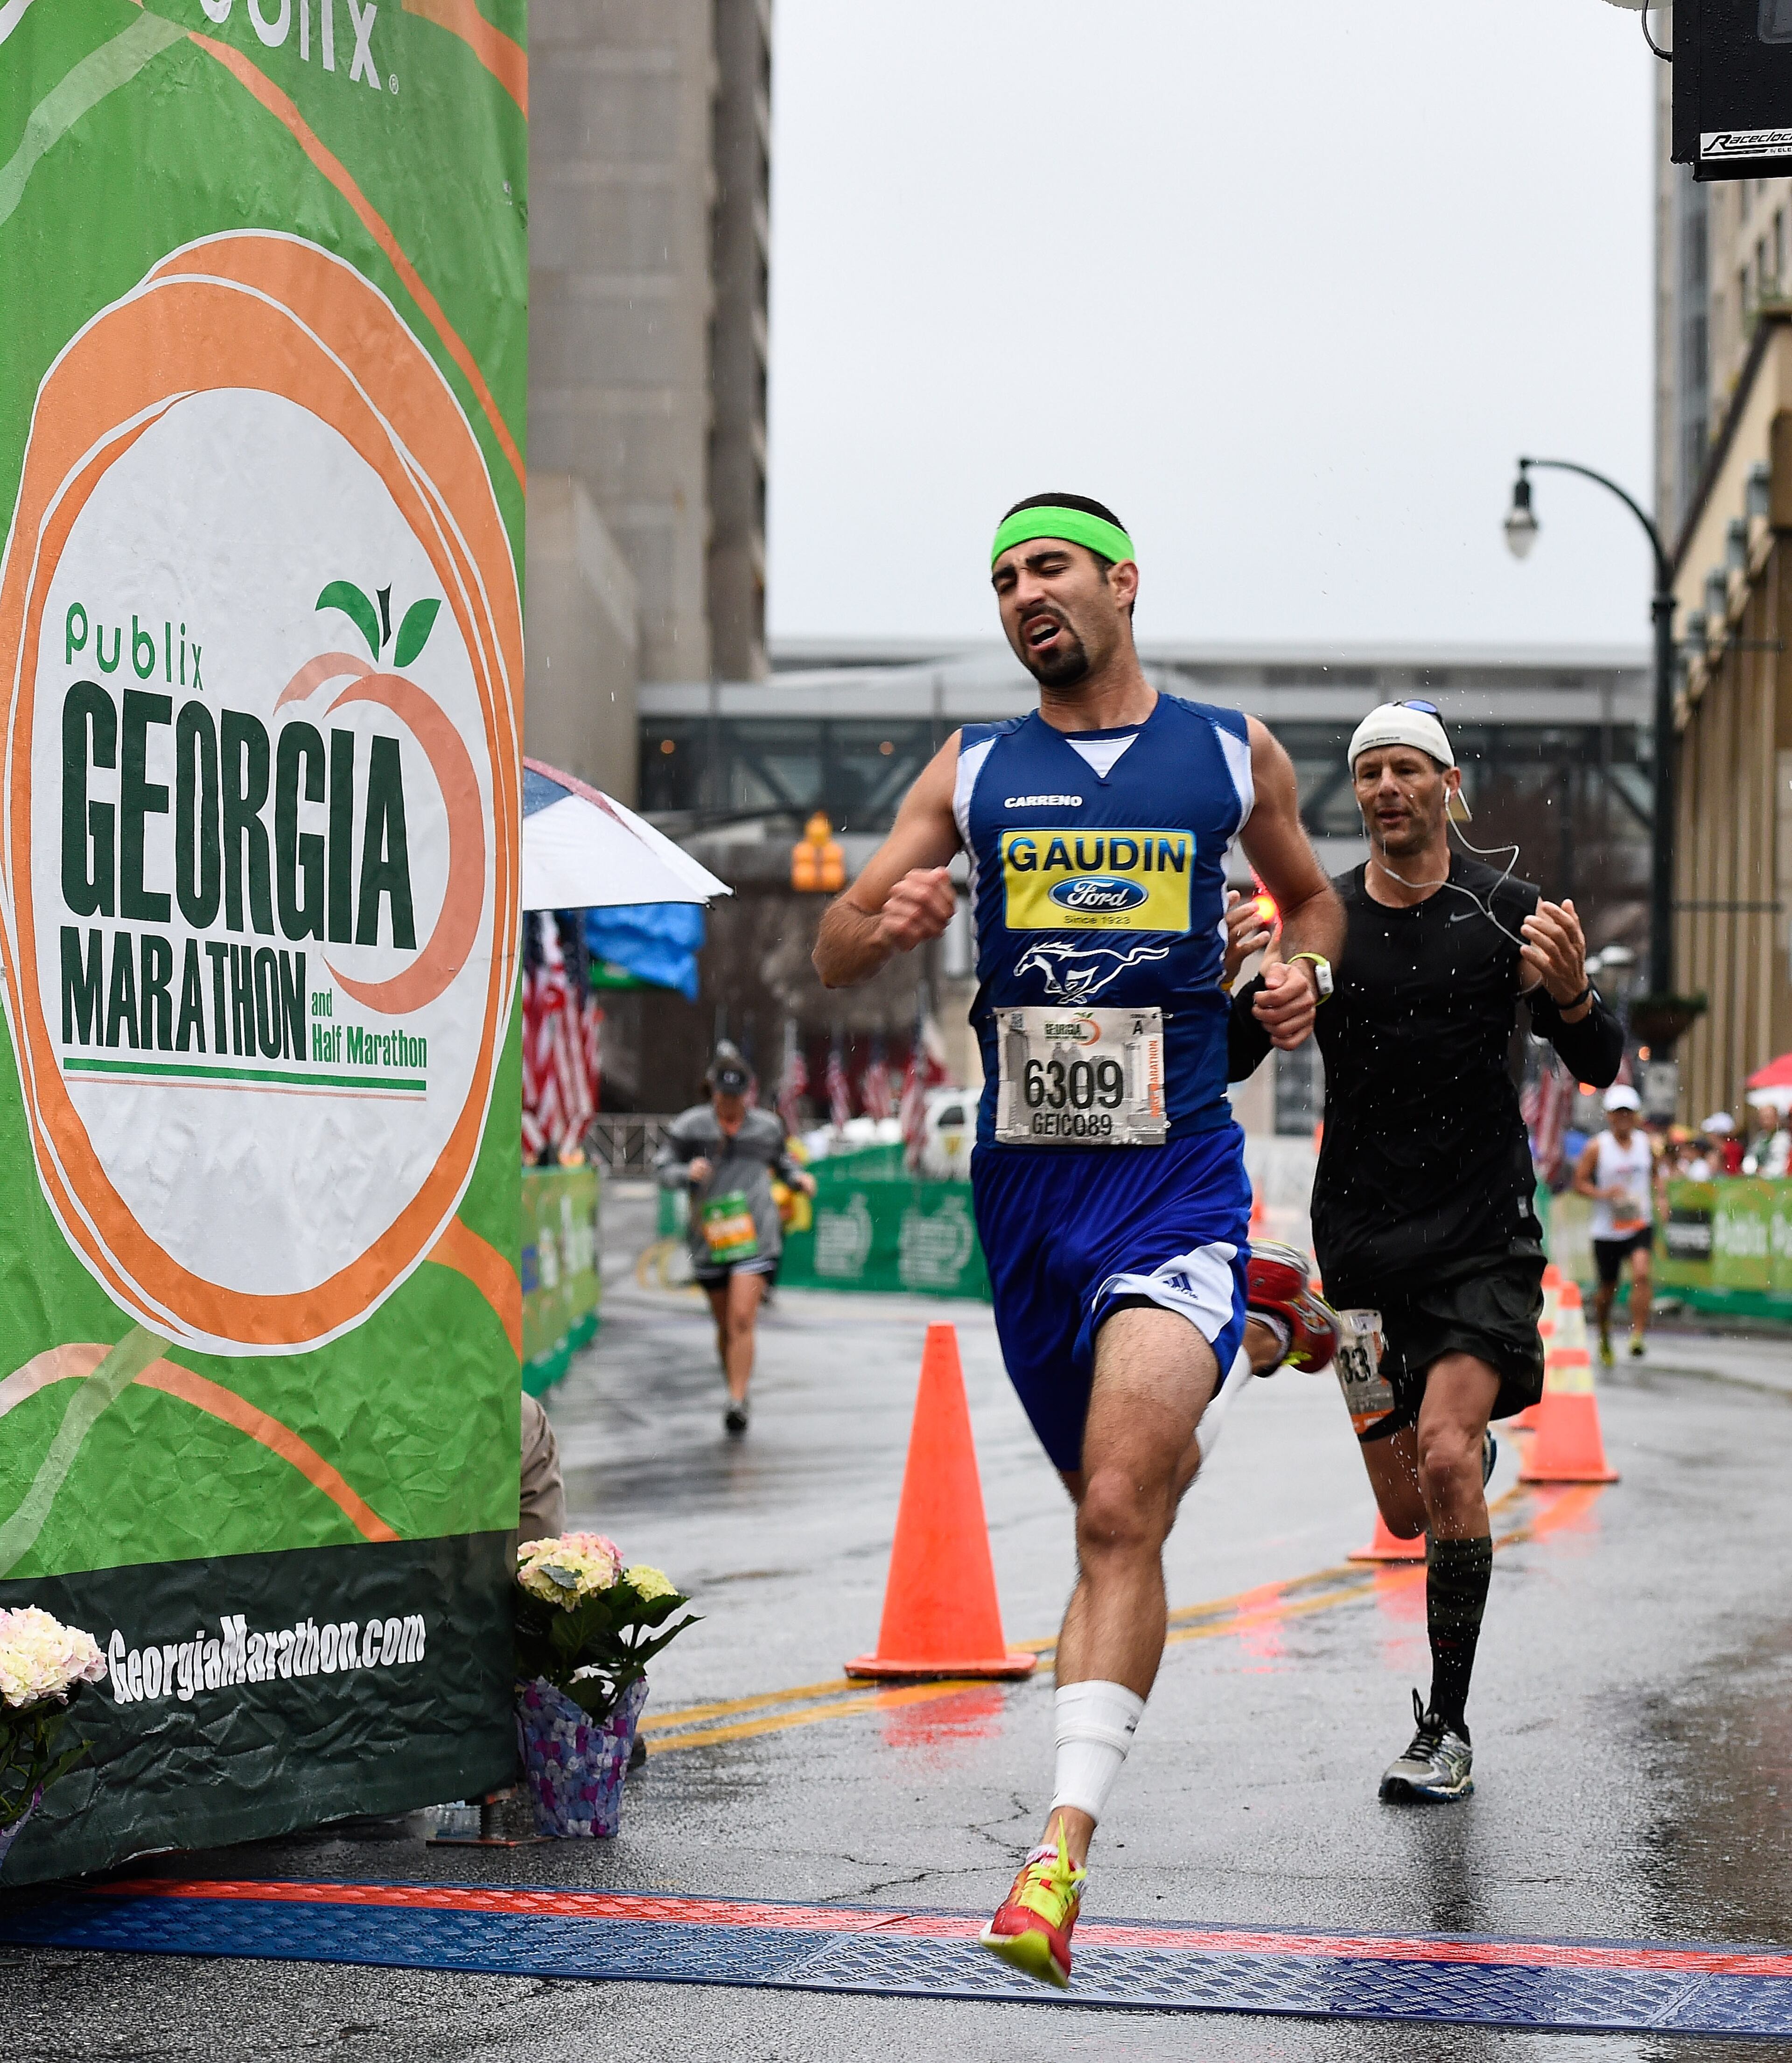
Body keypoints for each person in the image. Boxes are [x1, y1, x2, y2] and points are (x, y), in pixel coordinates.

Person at [812, 492, 1344, 1988]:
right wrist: (889, 914)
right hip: (1026, 1192)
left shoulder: (1230, 753)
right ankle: (1252, 1318)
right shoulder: (975, 768)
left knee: (1118, 1504)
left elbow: (1308, 898)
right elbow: (834, 938)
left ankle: (1054, 1859)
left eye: (1045, 566)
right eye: (997, 579)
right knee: (1113, 1504)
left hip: (1175, 1167)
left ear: (1119, 581)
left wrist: (1297, 972)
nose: (1019, 594)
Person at [1228, 699, 1623, 1804]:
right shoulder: (1322, 917)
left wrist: (1575, 991)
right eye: (1368, 773)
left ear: (1448, 785)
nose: (1385, 788)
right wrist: (1245, 985)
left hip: (1479, 1233)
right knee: (1406, 1508)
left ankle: (1443, 1725)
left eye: (1407, 768)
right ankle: (1414, 1422)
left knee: (1445, 1454)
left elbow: (1595, 1058)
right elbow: (1224, 1054)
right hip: (1356, 1242)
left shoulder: (1507, 911)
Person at [656, 1043, 817, 1435]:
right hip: (711, 1236)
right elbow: (663, 1167)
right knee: (725, 1324)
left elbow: (783, 1163)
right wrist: (685, 1173)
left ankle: (737, 1399)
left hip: (754, 1234)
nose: (729, 1105)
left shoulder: (766, 1128)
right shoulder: (691, 1127)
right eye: (722, 1097)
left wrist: (798, 1179)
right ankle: (734, 1381)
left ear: (749, 1094)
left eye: (737, 1097)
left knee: (743, 1317)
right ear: (712, 1092)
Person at [1574, 1086, 1655, 1364]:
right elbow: (1579, 1183)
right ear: (1609, 1116)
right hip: (1607, 1228)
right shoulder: (1598, 1146)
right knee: (1608, 1289)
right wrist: (1604, 1195)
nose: (1624, 1118)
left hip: (1638, 1222)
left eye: (1628, 1113)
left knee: (1642, 1274)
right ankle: (1605, 1332)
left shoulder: (1646, 1143)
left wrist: (1663, 1198)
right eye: (1618, 1113)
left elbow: (1657, 1175)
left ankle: (1638, 1335)